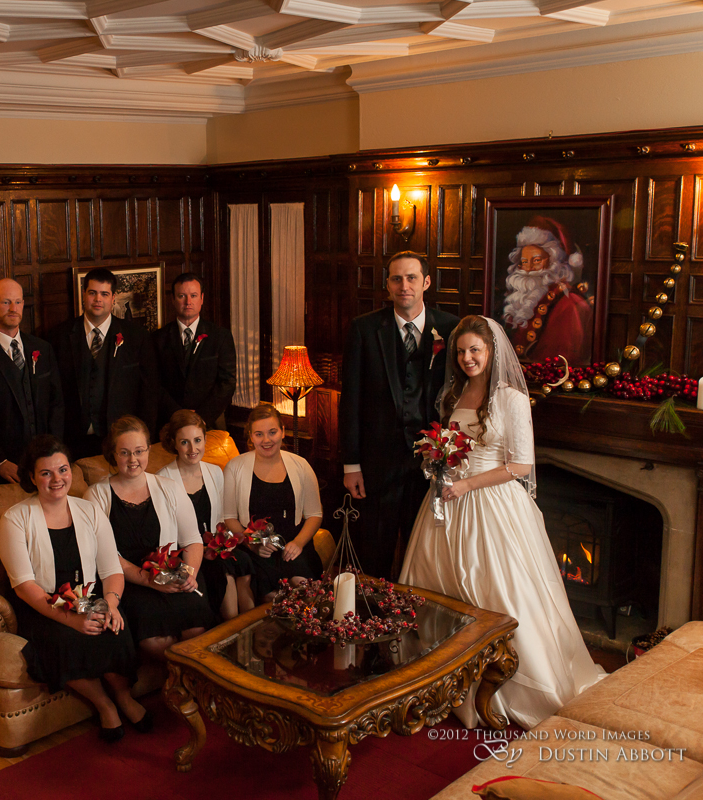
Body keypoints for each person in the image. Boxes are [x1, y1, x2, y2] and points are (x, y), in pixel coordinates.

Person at [399, 315, 605, 730]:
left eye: (475, 350)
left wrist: (467, 483)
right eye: (461, 351)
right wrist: (436, 463)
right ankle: (442, 679)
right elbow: (452, 445)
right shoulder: (455, 392)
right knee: (441, 587)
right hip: (447, 502)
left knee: (497, 592)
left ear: (492, 351)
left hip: (491, 503)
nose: (467, 358)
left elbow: (521, 465)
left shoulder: (511, 398)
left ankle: (505, 685)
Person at [0, 435, 147, 743]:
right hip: (42, 606)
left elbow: (111, 569)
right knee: (65, 640)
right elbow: (25, 587)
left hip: (87, 599)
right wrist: (72, 620)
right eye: (46, 473)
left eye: (63, 470)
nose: (57, 479)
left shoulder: (89, 511)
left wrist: (111, 604)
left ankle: (123, 696)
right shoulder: (14, 519)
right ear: (32, 478)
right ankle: (104, 704)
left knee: (114, 628)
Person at [338, 251, 459, 580]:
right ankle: (371, 609)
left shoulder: (450, 328)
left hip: (431, 463)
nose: (404, 285)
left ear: (426, 282)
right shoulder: (364, 329)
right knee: (374, 550)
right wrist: (351, 464)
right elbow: (350, 400)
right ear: (388, 285)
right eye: (396, 279)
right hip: (378, 463)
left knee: (425, 555)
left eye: (411, 278)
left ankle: (415, 609)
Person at [84, 416, 216, 661]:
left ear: (148, 451)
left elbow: (192, 540)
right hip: (130, 581)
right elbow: (104, 556)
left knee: (197, 632)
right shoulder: (96, 496)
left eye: (139, 451)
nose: (133, 459)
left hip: (173, 574)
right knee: (157, 643)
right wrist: (148, 580)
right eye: (124, 453)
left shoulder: (170, 487)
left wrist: (189, 573)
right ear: (113, 454)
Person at [0, 278, 64, 489]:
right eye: (6, 302)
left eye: (17, 302)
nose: (13, 308)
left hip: (45, 463)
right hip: (1, 472)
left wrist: (53, 451)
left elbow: (57, 404)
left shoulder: (42, 349)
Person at [50, 268, 159, 458]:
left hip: (121, 440)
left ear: (113, 298)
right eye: (92, 293)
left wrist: (144, 437)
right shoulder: (59, 336)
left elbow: (149, 391)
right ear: (84, 295)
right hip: (73, 441)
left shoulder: (137, 337)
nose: (98, 299)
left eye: (104, 294)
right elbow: (52, 394)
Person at [157, 409, 253, 620]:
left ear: (205, 440)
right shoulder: (162, 480)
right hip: (187, 554)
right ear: (173, 443)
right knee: (223, 570)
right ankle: (231, 628)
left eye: (197, 440)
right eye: (185, 442)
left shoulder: (215, 472)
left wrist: (226, 541)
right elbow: (166, 532)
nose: (193, 449)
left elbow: (222, 518)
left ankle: (249, 630)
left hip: (215, 547)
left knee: (243, 560)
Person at [223, 403, 323, 603]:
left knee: (304, 590)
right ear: (251, 436)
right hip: (256, 549)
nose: (266, 440)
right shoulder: (234, 467)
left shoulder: (301, 465)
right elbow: (229, 517)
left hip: (293, 544)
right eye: (259, 434)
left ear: (283, 431)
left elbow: (315, 514)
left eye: (272, 432)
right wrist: (252, 544)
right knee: (273, 598)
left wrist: (299, 543)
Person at [502, 216, 594, 364]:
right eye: (524, 262)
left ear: (553, 262)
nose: (529, 269)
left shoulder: (570, 304)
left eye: (536, 261)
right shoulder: (521, 300)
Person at [153, 272, 236, 431]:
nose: (188, 302)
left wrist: (201, 417)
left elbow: (227, 383)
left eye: (193, 295)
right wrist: (178, 414)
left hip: (210, 421)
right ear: (173, 299)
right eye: (182, 296)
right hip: (170, 422)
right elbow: (154, 384)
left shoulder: (220, 336)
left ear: (202, 298)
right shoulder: (158, 339)